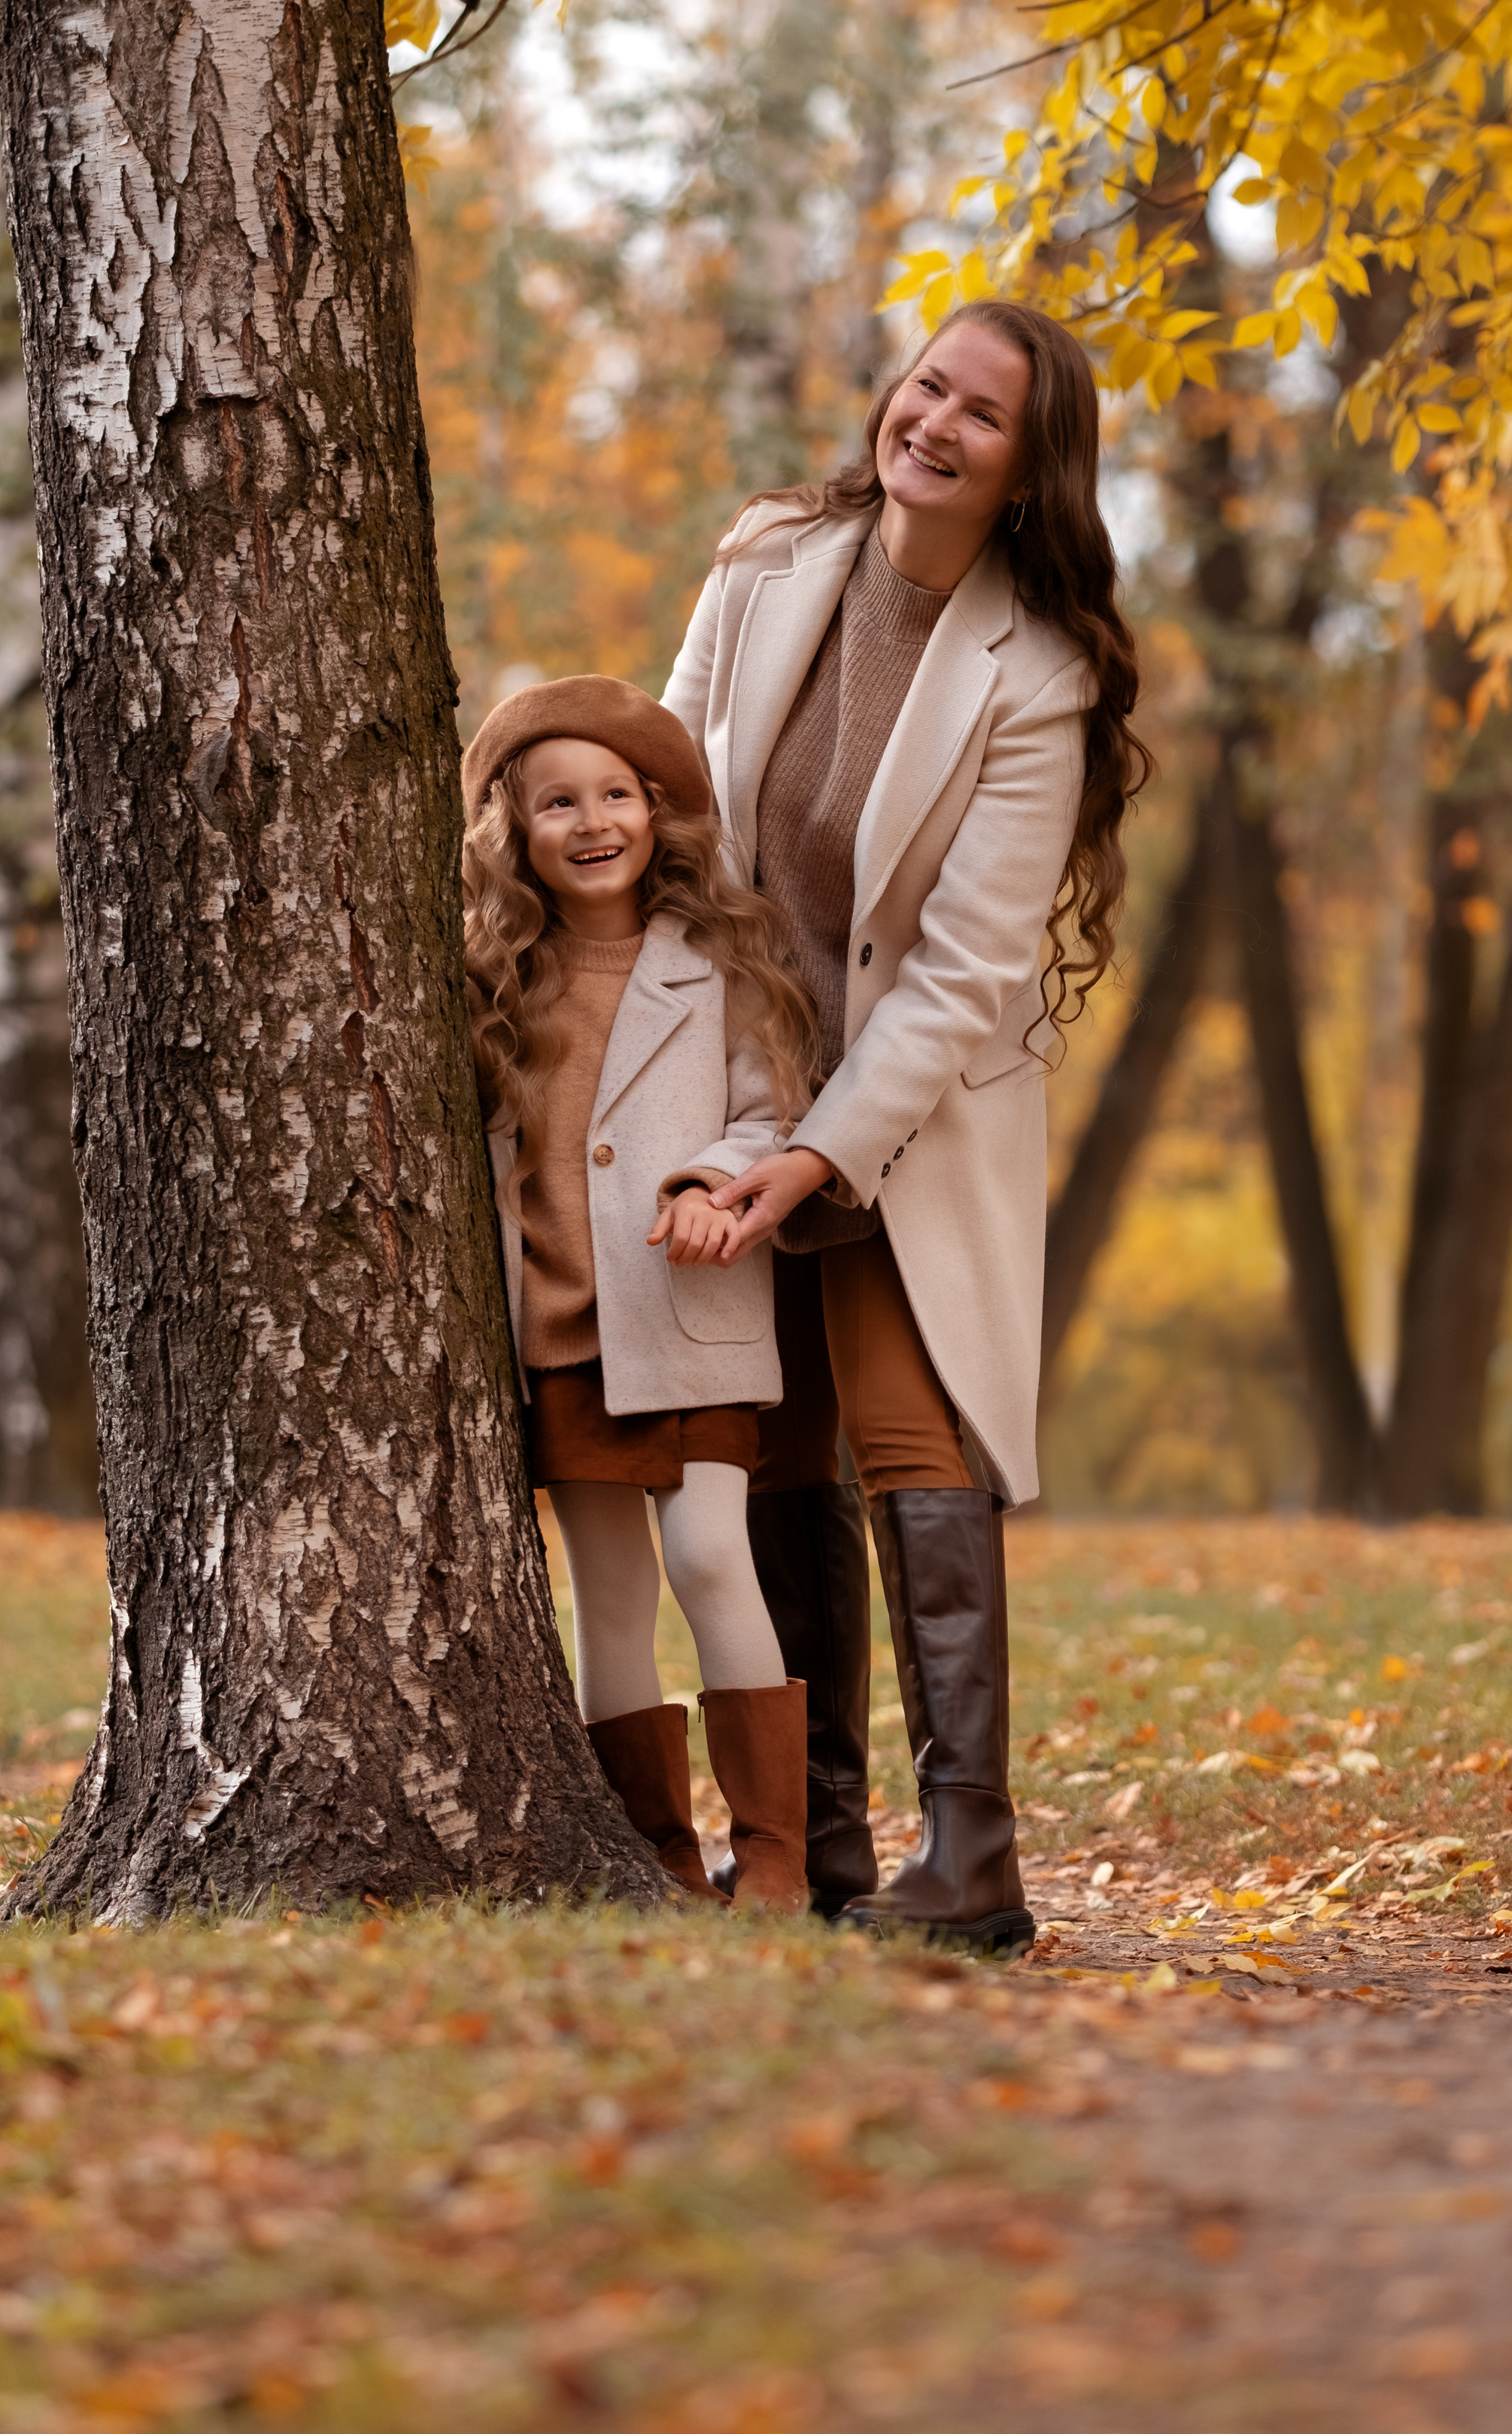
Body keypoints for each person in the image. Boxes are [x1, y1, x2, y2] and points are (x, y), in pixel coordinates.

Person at [662, 300, 1148, 1948]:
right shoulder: (768, 560)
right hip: (738, 1075)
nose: (932, 420)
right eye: (926, 382)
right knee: (774, 1452)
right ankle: (814, 1849)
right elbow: (676, 804)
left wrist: (820, 1153)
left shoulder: (1039, 669)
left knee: (909, 1445)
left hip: (911, 1113)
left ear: (1025, 473)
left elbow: (955, 982)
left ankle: (973, 1862)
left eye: (982, 413)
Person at [461, 674, 822, 1910]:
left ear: (658, 812)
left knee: (715, 1557)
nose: (593, 820)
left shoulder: (716, 958)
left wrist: (713, 1183)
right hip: (562, 1330)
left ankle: (775, 1852)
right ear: (517, 829)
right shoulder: (492, 976)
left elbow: (767, 1109)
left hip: (692, 1311)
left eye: (616, 793)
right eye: (557, 801)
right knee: (607, 1591)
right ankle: (657, 1849)